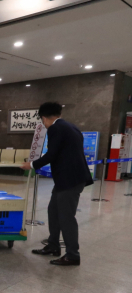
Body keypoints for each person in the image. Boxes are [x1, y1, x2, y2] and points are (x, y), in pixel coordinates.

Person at [21, 102, 93, 266]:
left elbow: (51, 154)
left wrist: (31, 165)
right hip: (68, 179)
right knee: (53, 211)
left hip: (70, 180)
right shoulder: (71, 127)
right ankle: (53, 246)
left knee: (66, 217)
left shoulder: (55, 129)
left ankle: (73, 255)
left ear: (44, 118)